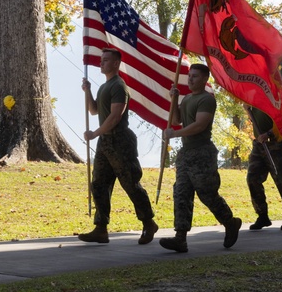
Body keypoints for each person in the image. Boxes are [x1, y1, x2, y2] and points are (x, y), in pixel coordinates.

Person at [78, 48, 159, 245]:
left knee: (130, 182)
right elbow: (94, 110)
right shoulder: (104, 86)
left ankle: (148, 222)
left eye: (106, 60)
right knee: (99, 184)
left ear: (116, 64)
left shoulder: (119, 86)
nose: (101, 63)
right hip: (105, 142)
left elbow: (116, 116)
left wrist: (95, 133)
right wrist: (87, 91)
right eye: (101, 60)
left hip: (120, 140)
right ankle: (101, 228)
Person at [159, 64, 241, 253]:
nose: (190, 79)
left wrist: (174, 134)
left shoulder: (206, 100)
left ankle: (230, 222)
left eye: (195, 76)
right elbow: (177, 120)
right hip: (186, 154)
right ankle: (180, 238)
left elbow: (199, 125)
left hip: (202, 153)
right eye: (190, 76)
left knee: (207, 194)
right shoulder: (187, 98)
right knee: (181, 193)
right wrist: (173, 100)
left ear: (205, 80)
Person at [245, 104, 282, 231]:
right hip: (259, 145)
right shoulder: (253, 99)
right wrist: (247, 109)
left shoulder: (275, 97)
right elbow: (255, 120)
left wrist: (269, 133)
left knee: (281, 181)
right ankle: (262, 216)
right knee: (252, 179)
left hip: (276, 145)